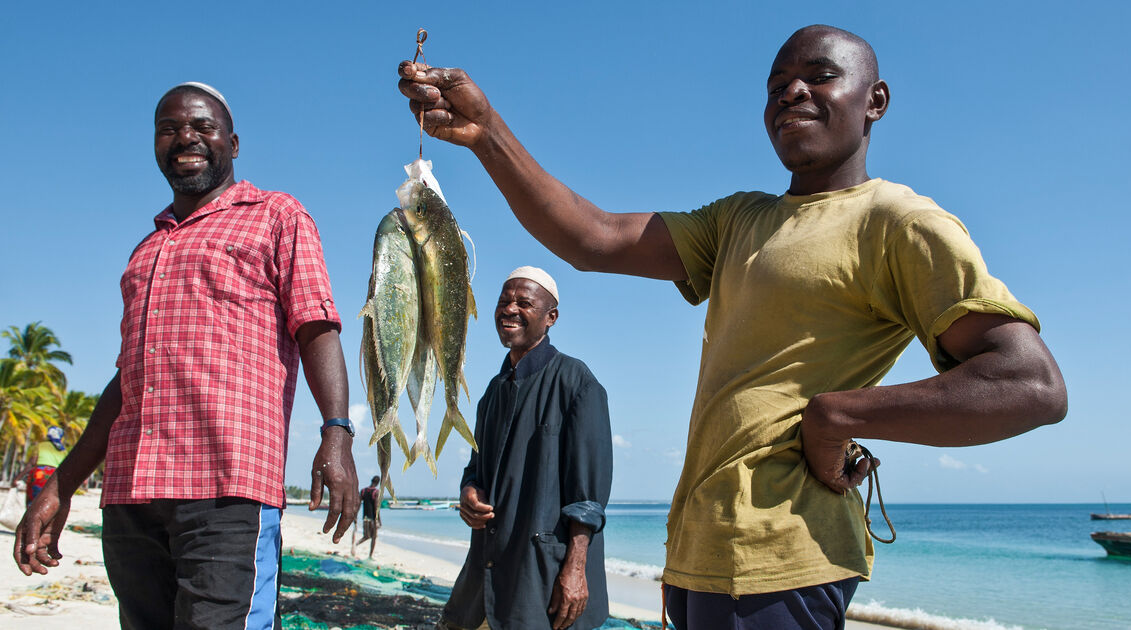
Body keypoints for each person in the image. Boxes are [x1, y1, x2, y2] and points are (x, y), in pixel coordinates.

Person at [399, 24, 1068, 629]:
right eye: (777, 85)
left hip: (784, 562)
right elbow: (593, 237)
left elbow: (1029, 383)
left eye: (820, 76)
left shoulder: (897, 221)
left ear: (876, 101)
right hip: (700, 558)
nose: (792, 92)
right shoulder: (739, 220)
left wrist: (838, 417)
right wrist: (486, 133)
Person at [12, 82, 360, 630]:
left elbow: (316, 326)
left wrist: (336, 434)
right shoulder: (146, 249)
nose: (185, 138)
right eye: (169, 129)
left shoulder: (276, 215)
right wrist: (61, 485)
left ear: (233, 142)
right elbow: (127, 380)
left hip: (225, 488)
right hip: (131, 494)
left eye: (202, 126)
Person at [440, 267, 613, 630]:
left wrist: (576, 571)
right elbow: (476, 468)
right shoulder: (492, 391)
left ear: (551, 318)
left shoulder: (577, 382)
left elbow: (588, 501)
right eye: (504, 301)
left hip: (545, 578)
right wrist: (469, 491)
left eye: (524, 303)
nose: (510, 309)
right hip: (487, 569)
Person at [25, 427, 68, 506]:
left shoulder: (41, 445)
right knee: (48, 500)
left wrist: (17, 478)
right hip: (55, 476)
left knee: (34, 501)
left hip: (40, 474)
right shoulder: (63, 450)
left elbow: (32, 463)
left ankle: (30, 516)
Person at [357, 475, 383, 558]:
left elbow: (358, 504)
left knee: (366, 536)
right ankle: (370, 555)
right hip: (372, 518)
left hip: (365, 517)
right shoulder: (376, 492)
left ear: (371, 480)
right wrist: (379, 520)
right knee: (374, 537)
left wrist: (355, 515)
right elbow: (376, 507)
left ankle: (355, 545)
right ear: (378, 482)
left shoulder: (363, 491)